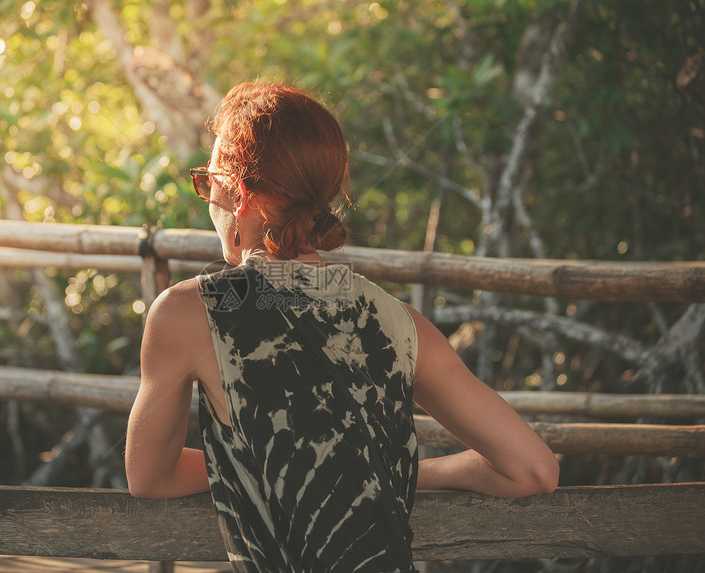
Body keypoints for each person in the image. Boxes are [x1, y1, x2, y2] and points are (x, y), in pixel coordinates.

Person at [124, 81, 559, 572]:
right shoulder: (398, 321)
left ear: (241, 195)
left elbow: (149, 478)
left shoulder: (193, 312)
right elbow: (534, 470)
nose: (208, 197)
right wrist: (387, 471)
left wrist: (266, 462)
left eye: (208, 182)